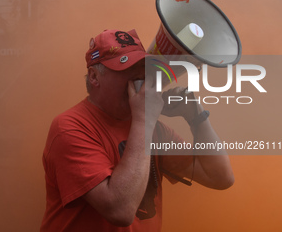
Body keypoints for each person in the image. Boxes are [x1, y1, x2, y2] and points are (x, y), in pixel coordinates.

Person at [40, 29, 234, 231]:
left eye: (142, 68)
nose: (139, 78)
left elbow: (220, 177)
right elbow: (120, 211)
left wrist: (196, 116)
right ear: (94, 77)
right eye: (126, 69)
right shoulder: (70, 128)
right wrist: (144, 118)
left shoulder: (153, 129)